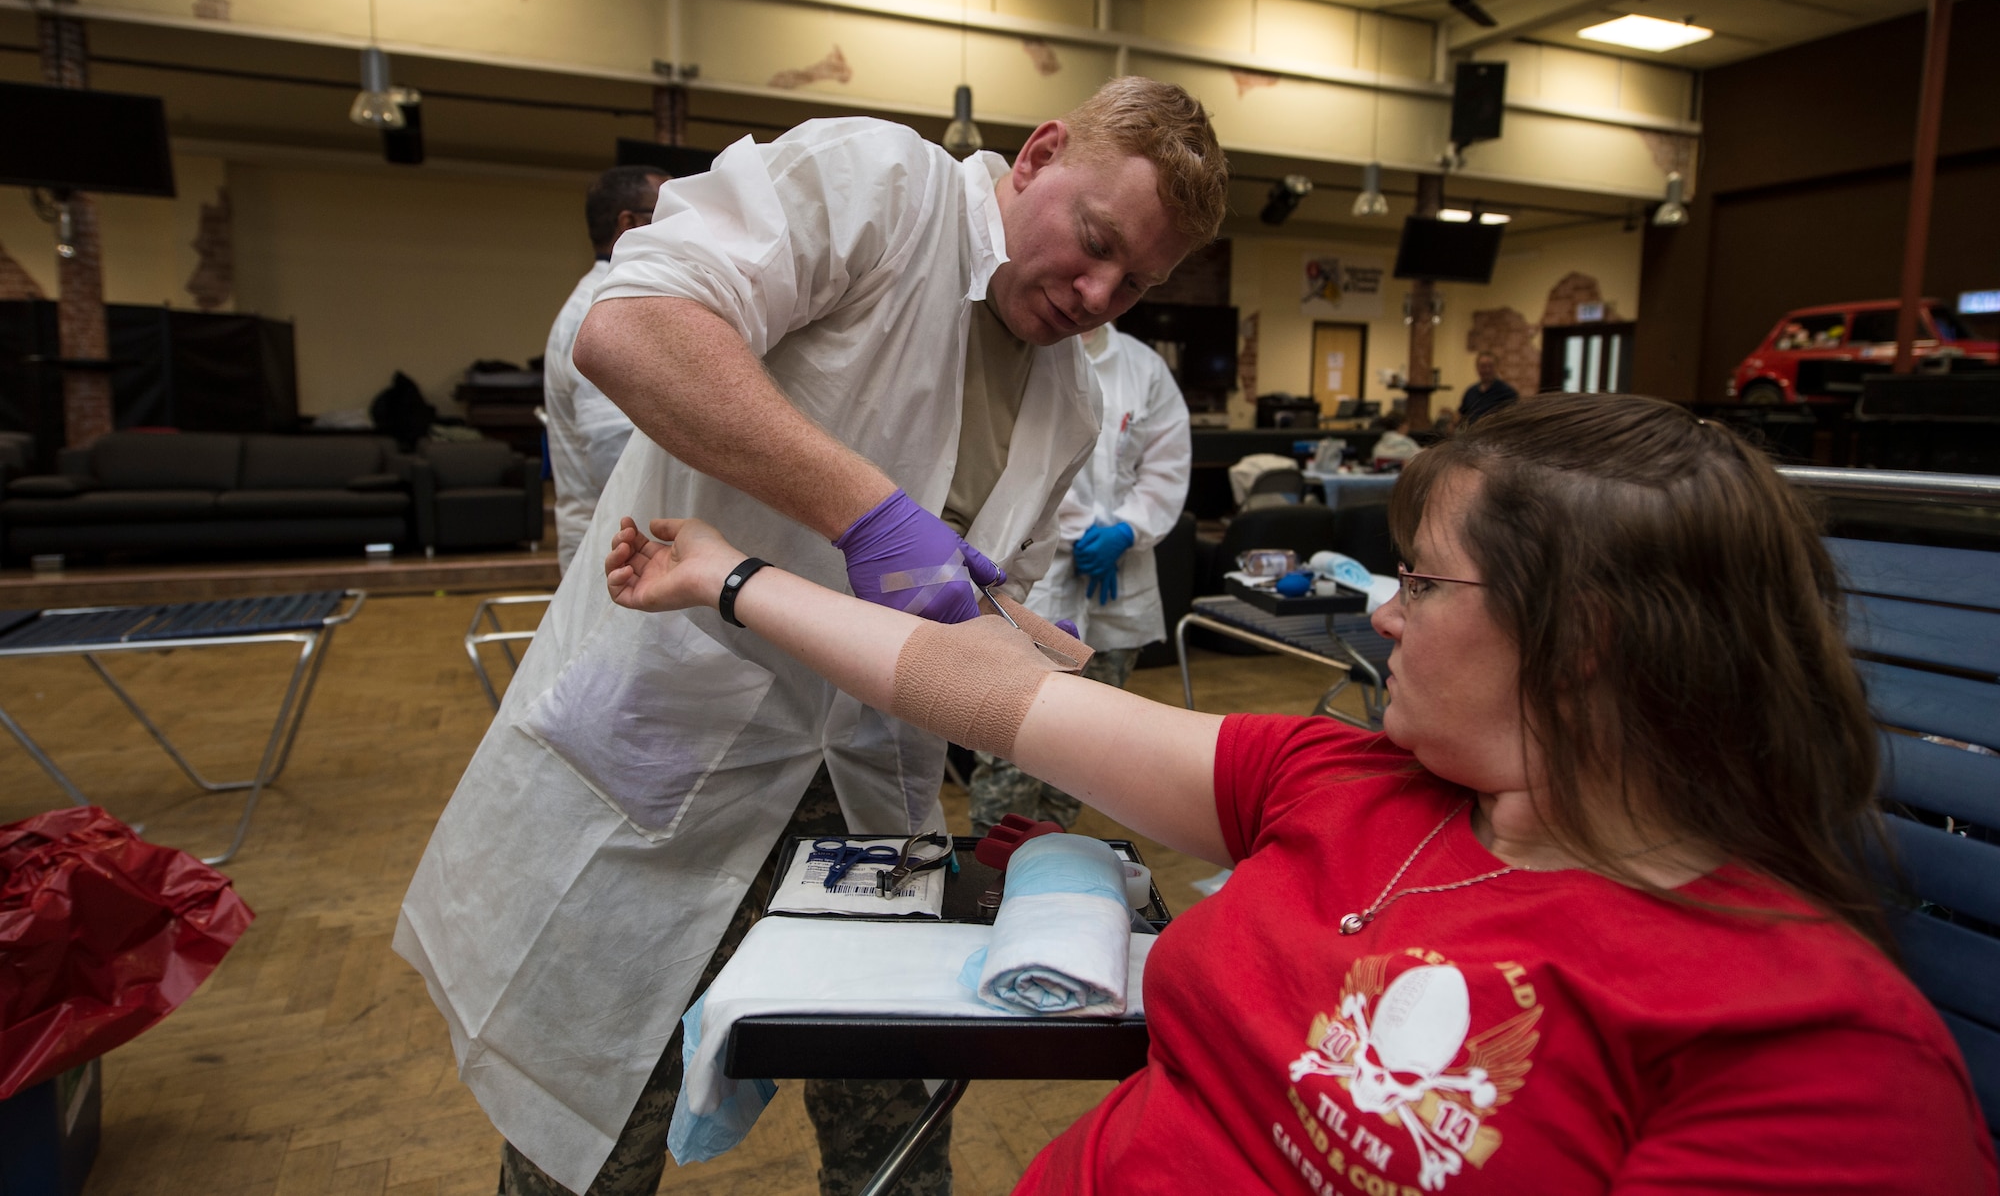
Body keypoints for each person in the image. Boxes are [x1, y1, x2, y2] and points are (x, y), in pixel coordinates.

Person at [606, 392, 1996, 1195]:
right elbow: (984, 689)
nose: (1380, 615)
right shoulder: (1351, 779)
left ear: (1583, 642)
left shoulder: (1809, 1048)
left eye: (1424, 582)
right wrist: (729, 576)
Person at [393, 78, 1229, 1196]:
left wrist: (1021, 702)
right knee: (593, 1119)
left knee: (893, 1117)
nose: (1098, 293)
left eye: (1137, 282)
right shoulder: (878, 187)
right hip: (674, 737)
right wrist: (867, 512)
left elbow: (975, 602)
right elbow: (629, 325)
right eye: (1093, 245)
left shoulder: (1069, 402)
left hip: (871, 782)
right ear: (1035, 156)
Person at [969, 320, 1190, 832]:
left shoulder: (1144, 367)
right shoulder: (1011, 350)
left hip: (1121, 578)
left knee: (1089, 743)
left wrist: (1127, 531)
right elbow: (1011, 466)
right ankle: (991, 869)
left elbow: (1167, 465)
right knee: (1011, 738)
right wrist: (1083, 529)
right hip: (1031, 578)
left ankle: (1052, 857)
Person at [543, 165, 667, 574]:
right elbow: (614, 452)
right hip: (617, 545)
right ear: (629, 223)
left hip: (629, 541)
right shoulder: (604, 309)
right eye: (668, 212)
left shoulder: (621, 299)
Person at [1456, 350, 1519, 425]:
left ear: (1497, 367)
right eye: (1483, 366)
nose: (1487, 370)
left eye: (1490, 366)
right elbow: (1461, 415)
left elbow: (1512, 421)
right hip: (1471, 435)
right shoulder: (1470, 392)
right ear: (1477, 368)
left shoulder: (1508, 393)